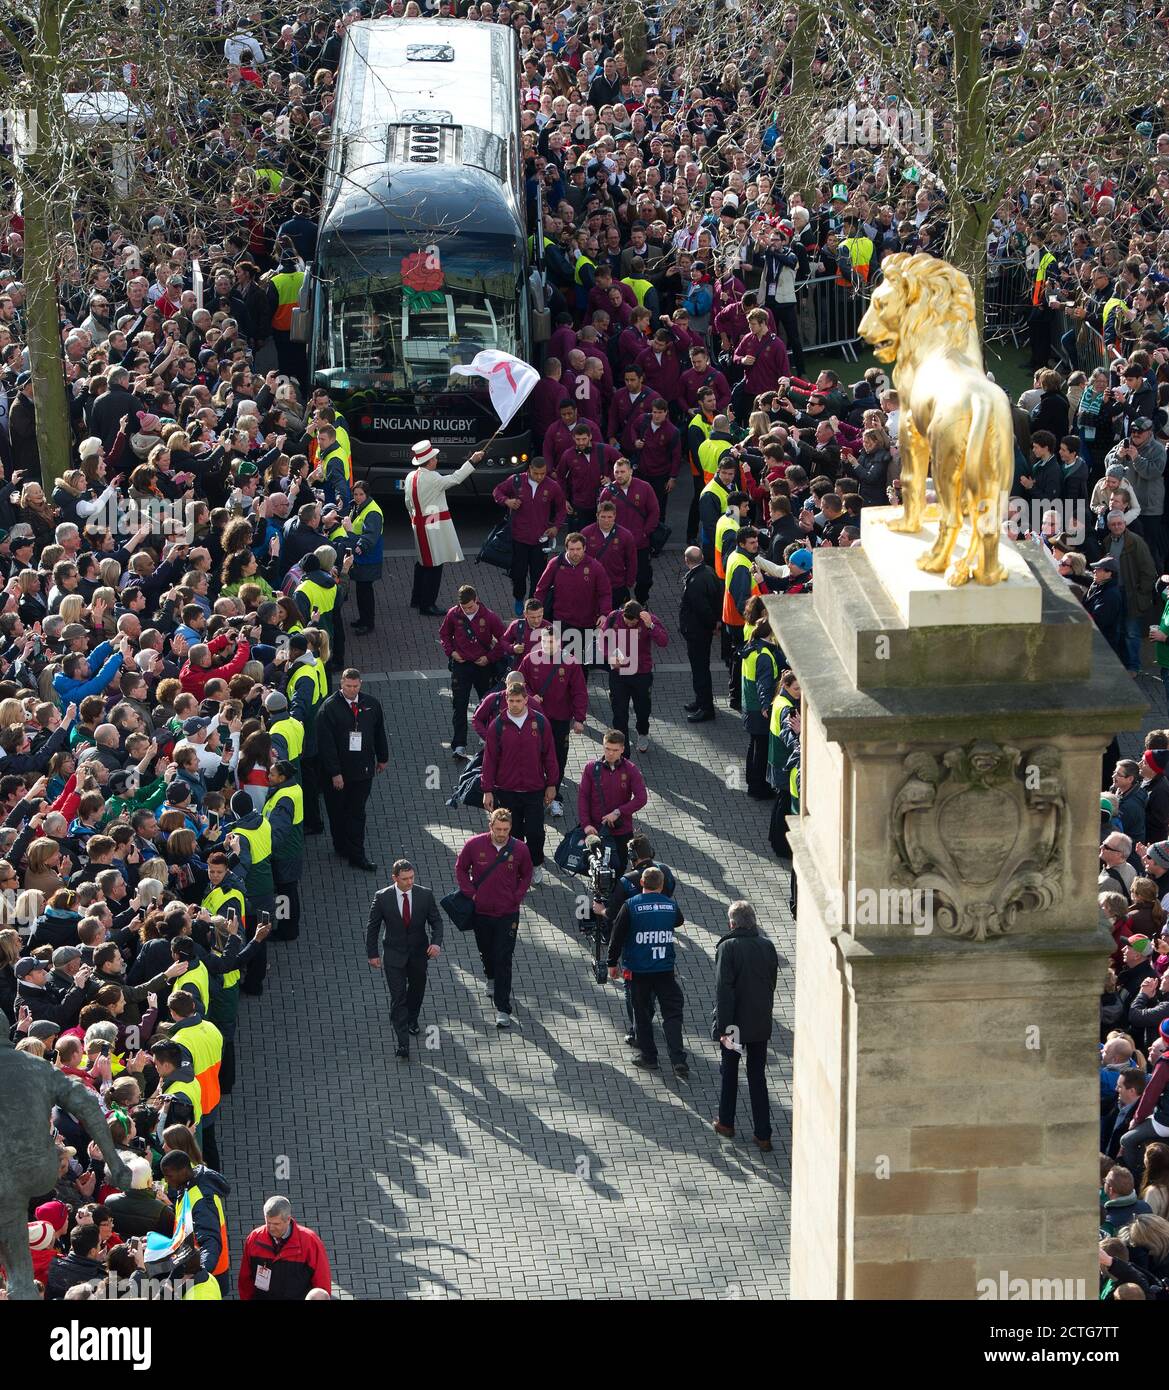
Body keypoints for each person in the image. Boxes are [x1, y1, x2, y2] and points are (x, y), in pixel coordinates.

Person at [455, 807, 533, 1030]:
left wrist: (516, 897)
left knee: (503, 957)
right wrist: (472, 894)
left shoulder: (520, 849)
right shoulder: (474, 844)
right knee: (486, 951)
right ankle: (490, 976)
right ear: (490, 826)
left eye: (506, 829)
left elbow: (526, 874)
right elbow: (461, 868)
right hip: (481, 912)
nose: (501, 833)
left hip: (507, 913)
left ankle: (502, 1008)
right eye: (498, 829)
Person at [607, 866, 688, 1078]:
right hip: (664, 969)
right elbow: (679, 920)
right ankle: (678, 1059)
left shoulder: (631, 906)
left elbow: (617, 936)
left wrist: (611, 962)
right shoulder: (670, 905)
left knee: (641, 1014)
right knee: (672, 1013)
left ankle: (649, 1057)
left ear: (641, 883)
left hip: (638, 971)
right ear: (661, 885)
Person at [711, 900, 779, 1150]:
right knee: (757, 1076)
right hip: (760, 1021)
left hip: (735, 1025)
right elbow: (771, 981)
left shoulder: (728, 947)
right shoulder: (767, 945)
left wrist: (724, 1028)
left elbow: (724, 991)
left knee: (729, 1073)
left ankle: (726, 1123)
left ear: (732, 923)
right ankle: (763, 1134)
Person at [479, 682, 558, 884]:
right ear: (507, 700)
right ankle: (513, 869)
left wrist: (552, 784)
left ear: (526, 700)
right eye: (511, 701)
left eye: (518, 701)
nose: (514, 704)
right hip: (507, 790)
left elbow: (550, 755)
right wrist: (487, 789)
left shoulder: (540, 723)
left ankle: (536, 865)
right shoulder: (497, 725)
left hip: (534, 789)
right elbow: (489, 760)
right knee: (512, 834)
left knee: (535, 832)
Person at [366, 858, 443, 1061]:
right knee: (398, 996)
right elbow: (372, 927)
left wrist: (436, 943)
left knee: (417, 988)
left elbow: (436, 921)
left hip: (419, 953)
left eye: (412, 877)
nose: (409, 882)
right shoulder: (382, 898)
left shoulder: (424, 895)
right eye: (405, 879)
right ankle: (403, 1043)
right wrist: (372, 954)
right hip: (393, 955)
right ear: (395, 878)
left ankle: (412, 1018)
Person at [315, 667, 389, 871]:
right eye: (348, 686)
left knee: (357, 812)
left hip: (363, 770)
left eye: (355, 686)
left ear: (361, 684)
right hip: (338, 774)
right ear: (341, 684)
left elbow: (379, 731)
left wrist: (383, 757)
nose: (352, 690)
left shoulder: (371, 704)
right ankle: (341, 845)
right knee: (337, 812)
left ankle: (357, 854)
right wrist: (335, 773)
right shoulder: (328, 709)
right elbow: (326, 745)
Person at [404, 439, 484, 615]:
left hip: (418, 523)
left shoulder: (411, 476)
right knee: (434, 565)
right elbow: (456, 478)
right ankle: (427, 604)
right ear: (429, 460)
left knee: (423, 563)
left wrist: (414, 519)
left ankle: (417, 599)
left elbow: (408, 503)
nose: (436, 460)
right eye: (434, 458)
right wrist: (472, 462)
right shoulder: (433, 478)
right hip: (432, 526)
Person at [493, 455, 567, 615]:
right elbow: (497, 491)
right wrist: (506, 501)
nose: (540, 477)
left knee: (538, 576)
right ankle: (519, 597)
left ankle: (533, 604)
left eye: (543, 473)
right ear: (529, 470)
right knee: (518, 574)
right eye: (536, 473)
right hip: (518, 538)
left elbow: (561, 508)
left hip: (540, 540)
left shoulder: (553, 486)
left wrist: (556, 527)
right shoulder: (516, 480)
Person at [439, 585, 507, 758]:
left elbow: (504, 639)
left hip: (483, 666)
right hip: (461, 666)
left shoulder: (489, 617)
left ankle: (486, 737)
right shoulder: (453, 614)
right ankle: (459, 745)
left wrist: (489, 658)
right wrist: (451, 652)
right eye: (464, 607)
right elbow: (444, 635)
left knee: (488, 703)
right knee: (459, 706)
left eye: (470, 606)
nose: (467, 610)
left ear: (476, 599)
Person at [599, 600, 669, 753]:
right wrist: (609, 657)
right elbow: (602, 640)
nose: (630, 625)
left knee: (643, 710)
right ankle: (623, 752)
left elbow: (663, 641)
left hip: (641, 674)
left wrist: (651, 626)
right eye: (627, 622)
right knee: (619, 713)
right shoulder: (613, 618)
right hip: (619, 675)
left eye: (633, 623)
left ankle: (642, 732)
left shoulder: (649, 620)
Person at [158, 1149, 232, 1294]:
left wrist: (199, 1273)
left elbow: (210, 1242)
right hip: (194, 1268)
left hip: (208, 1274)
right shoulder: (187, 1186)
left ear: (184, 1171)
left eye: (169, 1176)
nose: (166, 1180)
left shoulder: (201, 1200)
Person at [238, 1195, 333, 1300]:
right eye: (268, 1222)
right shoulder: (254, 1239)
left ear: (288, 1219)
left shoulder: (310, 1242)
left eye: (276, 1223)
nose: (271, 1228)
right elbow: (245, 1279)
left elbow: (322, 1283)